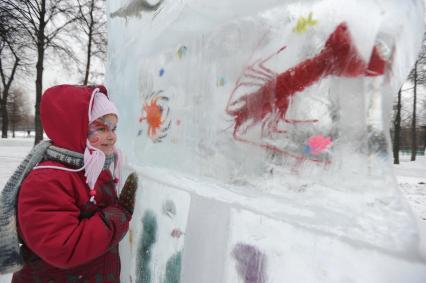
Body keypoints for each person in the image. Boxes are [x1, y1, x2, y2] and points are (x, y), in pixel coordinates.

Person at [0, 84, 137, 283]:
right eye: (101, 128)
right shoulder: (47, 180)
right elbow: (63, 248)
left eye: (114, 128)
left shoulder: (93, 170)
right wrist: (117, 216)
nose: (112, 136)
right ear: (73, 127)